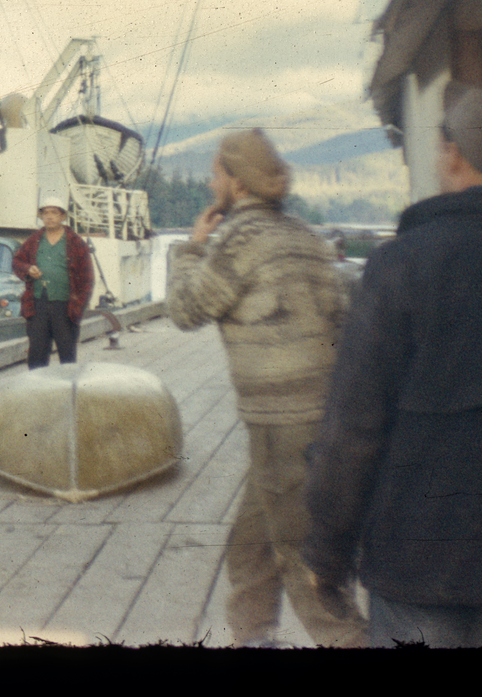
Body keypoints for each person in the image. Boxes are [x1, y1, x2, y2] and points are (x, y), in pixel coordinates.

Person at [303, 89, 482, 648]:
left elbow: (353, 425)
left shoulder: (399, 266)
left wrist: (327, 549)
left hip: (413, 558)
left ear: (453, 154)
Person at [167, 129, 367, 648]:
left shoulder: (238, 238)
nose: (212, 182)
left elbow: (187, 309)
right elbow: (344, 325)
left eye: (216, 174)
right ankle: (252, 638)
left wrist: (191, 249)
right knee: (252, 550)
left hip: (283, 423)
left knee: (309, 574)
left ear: (235, 182)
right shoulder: (306, 237)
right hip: (319, 417)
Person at [13, 197, 94, 369]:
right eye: (45, 213)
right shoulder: (34, 240)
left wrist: (78, 307)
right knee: (37, 354)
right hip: (38, 304)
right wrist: (28, 269)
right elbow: (17, 262)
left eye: (54, 213)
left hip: (65, 306)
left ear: (63, 216)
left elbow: (88, 279)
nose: (49, 217)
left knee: (67, 354)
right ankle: (37, 391)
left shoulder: (76, 242)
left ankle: (67, 391)